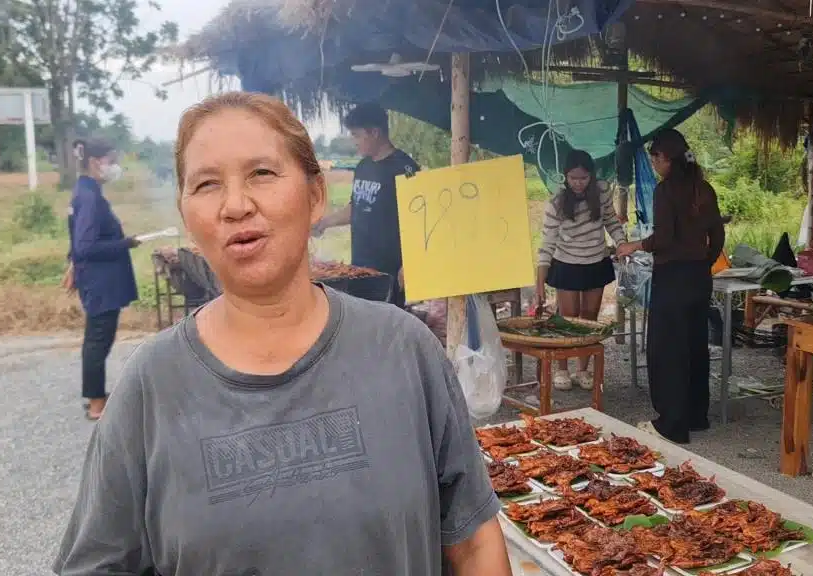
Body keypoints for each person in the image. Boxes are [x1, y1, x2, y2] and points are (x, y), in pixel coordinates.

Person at [52, 92, 511, 576]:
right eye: (207, 184)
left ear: (315, 196)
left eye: (262, 174)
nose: (235, 205)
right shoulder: (152, 386)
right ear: (188, 218)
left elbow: (473, 541)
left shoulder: (404, 349)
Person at [617, 129, 725, 445]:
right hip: (698, 277)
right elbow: (717, 235)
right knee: (695, 346)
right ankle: (696, 415)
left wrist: (633, 245)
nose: (653, 162)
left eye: (655, 157)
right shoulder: (703, 188)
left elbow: (663, 239)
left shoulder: (667, 191)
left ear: (667, 159)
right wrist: (704, 262)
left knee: (668, 350)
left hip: (673, 278)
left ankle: (671, 424)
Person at [534, 150, 626, 391]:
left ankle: (582, 370)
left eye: (583, 178)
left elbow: (611, 221)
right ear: (565, 176)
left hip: (596, 261)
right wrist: (539, 282)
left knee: (588, 318)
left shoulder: (603, 192)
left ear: (591, 176)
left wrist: (622, 242)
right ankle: (562, 369)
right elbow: (547, 243)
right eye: (573, 178)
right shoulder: (556, 202)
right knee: (567, 318)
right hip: (566, 264)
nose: (578, 183)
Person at [61, 139, 139, 421]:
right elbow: (86, 245)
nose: (114, 166)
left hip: (96, 279)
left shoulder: (86, 190)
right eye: (110, 160)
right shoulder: (90, 196)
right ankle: (96, 404)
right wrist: (125, 243)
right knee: (98, 339)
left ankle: (96, 397)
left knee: (98, 338)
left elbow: (77, 240)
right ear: (95, 162)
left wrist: (72, 264)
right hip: (101, 282)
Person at [312, 102, 419, 307]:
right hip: (360, 269)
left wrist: (409, 264)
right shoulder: (363, 166)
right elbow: (357, 207)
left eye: (356, 135)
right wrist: (322, 223)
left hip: (390, 271)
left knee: (387, 327)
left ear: (374, 132)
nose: (354, 141)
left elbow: (418, 220)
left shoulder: (404, 168)